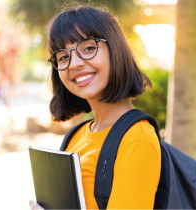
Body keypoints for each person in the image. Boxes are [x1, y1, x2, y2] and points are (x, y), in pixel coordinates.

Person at [29, 4, 161, 210]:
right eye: (63, 56)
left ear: (116, 50)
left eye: (88, 48)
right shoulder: (77, 135)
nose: (74, 64)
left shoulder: (138, 138)